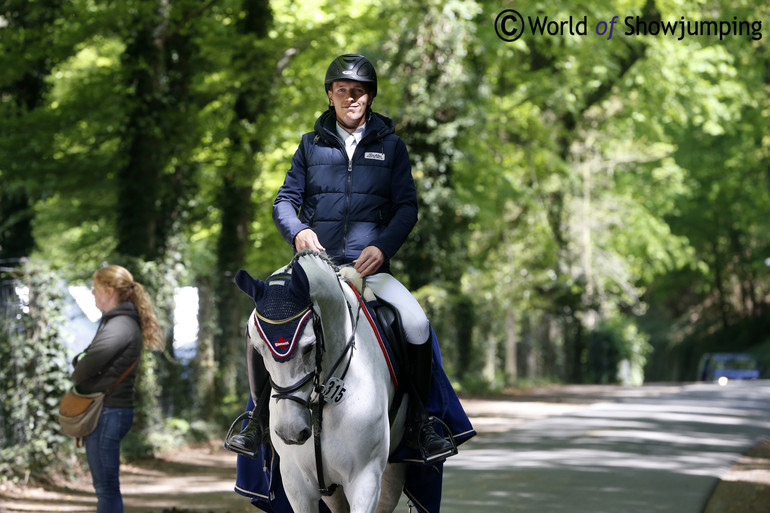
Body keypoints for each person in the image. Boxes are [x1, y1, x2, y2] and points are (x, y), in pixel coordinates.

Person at [228, 53, 455, 463]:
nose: (351, 98)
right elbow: (285, 201)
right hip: (313, 268)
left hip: (370, 270)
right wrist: (298, 232)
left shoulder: (392, 147)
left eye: (359, 92)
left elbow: (407, 208)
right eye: (343, 91)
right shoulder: (309, 146)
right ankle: (257, 420)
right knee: (254, 322)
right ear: (331, 95)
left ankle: (422, 421)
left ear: (369, 98)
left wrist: (382, 246)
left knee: (417, 323)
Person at [71, 265, 163, 513]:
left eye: (96, 288)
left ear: (109, 290)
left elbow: (83, 369)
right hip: (110, 410)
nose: (92, 293)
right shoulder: (118, 322)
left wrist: (78, 368)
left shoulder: (120, 325)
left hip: (108, 411)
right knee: (106, 487)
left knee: (106, 488)